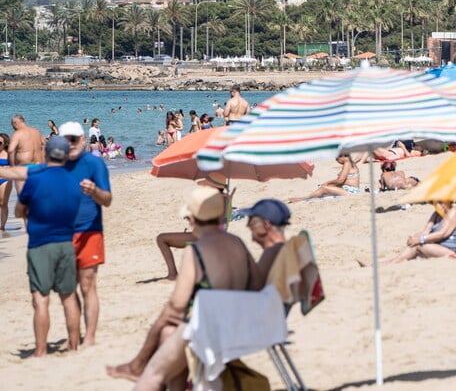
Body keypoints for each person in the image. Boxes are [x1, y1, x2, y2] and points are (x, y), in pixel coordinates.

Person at [108, 186, 262, 387]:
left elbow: (178, 304)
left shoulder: (196, 250)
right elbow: (257, 283)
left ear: (193, 219)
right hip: (237, 324)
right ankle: (149, 370)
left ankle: (139, 366)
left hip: (210, 329)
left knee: (154, 372)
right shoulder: (237, 242)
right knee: (167, 334)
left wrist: (164, 318)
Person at [16, 136, 84, 356]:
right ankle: (74, 345)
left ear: (46, 154)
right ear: (65, 155)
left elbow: (19, 210)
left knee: (41, 298)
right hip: (65, 242)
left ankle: (41, 350)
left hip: (40, 243)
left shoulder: (36, 179)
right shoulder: (74, 180)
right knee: (69, 296)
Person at [59, 121, 112, 348]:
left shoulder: (94, 163)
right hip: (61, 232)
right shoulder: (55, 163)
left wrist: (95, 191)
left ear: (83, 139)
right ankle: (73, 338)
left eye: (73, 139)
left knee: (87, 284)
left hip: (89, 230)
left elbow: (107, 200)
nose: (69, 144)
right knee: (67, 288)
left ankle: (89, 338)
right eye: (65, 140)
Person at [381, 201, 456, 264]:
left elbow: (443, 234)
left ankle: (392, 262)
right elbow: (425, 231)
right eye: (435, 203)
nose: (438, 205)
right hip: (437, 247)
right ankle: (390, 262)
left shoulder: (454, 211)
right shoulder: (437, 213)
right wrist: (414, 237)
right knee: (413, 245)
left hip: (451, 251)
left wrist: (420, 239)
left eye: (440, 202)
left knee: (417, 246)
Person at [3, 114, 45, 232]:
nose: (13, 128)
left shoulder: (18, 133)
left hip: (23, 168)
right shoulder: (36, 131)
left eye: (13, 126)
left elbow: (10, 150)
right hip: (38, 167)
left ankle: (27, 224)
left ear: (16, 123)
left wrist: (12, 167)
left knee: (23, 196)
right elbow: (44, 145)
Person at [246, 198, 291, 275]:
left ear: (266, 225)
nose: (248, 225)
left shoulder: (272, 253)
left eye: (252, 222)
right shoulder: (289, 250)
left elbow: (256, 285)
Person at [288, 154, 360, 201]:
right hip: (349, 189)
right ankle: (308, 197)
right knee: (327, 187)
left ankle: (303, 198)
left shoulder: (347, 163)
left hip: (351, 191)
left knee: (324, 188)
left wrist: (326, 183)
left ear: (343, 156)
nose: (337, 161)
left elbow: (340, 180)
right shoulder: (350, 163)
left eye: (337, 159)